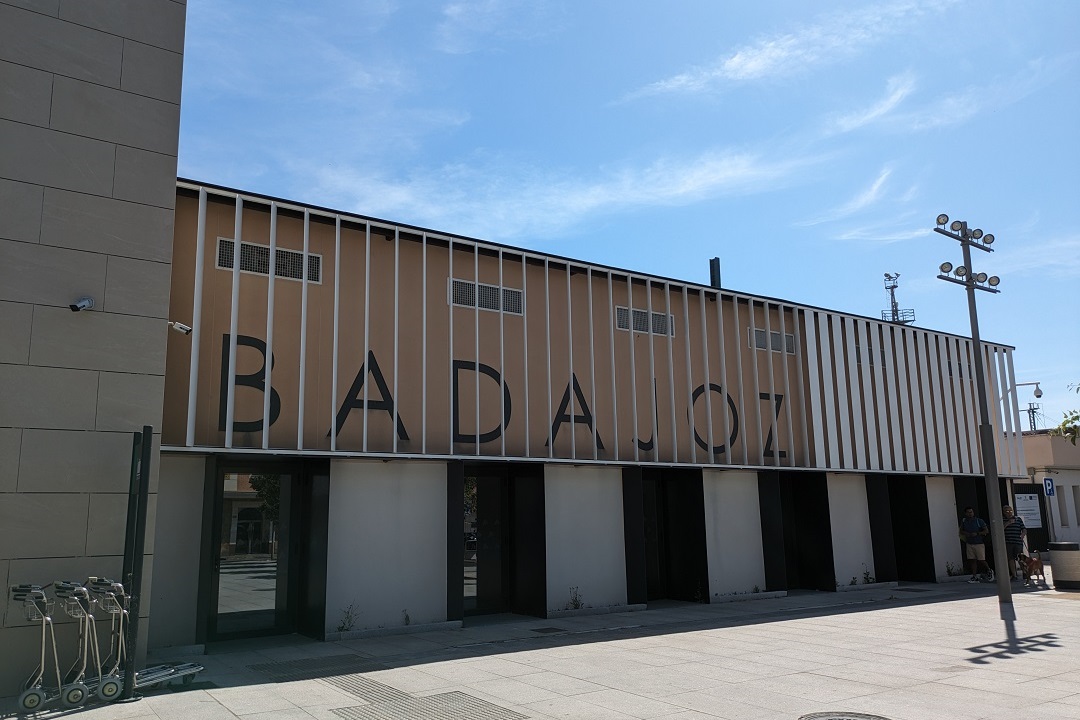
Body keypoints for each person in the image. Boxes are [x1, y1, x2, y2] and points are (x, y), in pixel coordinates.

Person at [959, 506, 992, 583]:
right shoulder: (964, 521)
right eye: (968, 512)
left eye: (971, 512)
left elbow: (986, 531)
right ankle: (974, 576)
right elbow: (961, 531)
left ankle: (989, 570)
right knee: (972, 560)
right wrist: (966, 533)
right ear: (965, 513)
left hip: (978, 543)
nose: (970, 514)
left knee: (981, 559)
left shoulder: (978, 521)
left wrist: (977, 533)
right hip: (969, 543)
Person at [1002, 505, 1027, 581]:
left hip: (1017, 542)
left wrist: (1022, 535)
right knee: (1010, 558)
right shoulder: (1002, 520)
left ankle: (1025, 572)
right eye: (1007, 511)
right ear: (1004, 512)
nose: (1009, 513)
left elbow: (1024, 529)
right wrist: (1008, 523)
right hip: (1008, 542)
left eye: (1010, 511)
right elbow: (1000, 529)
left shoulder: (1018, 519)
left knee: (1020, 558)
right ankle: (1014, 575)